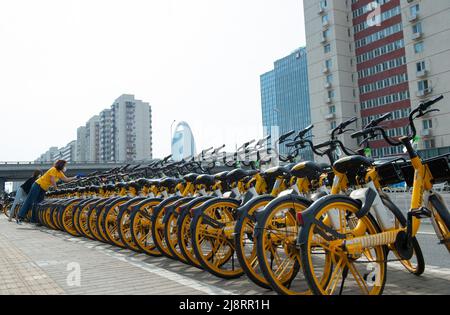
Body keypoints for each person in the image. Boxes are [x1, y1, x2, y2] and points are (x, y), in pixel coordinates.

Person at [17, 160, 79, 224]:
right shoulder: (53, 169)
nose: (65, 167)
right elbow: (52, 179)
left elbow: (66, 179)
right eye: (64, 165)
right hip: (38, 185)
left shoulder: (59, 172)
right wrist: (56, 188)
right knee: (30, 200)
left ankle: (34, 220)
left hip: (43, 188)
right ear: (61, 165)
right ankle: (20, 217)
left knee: (38, 203)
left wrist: (75, 177)